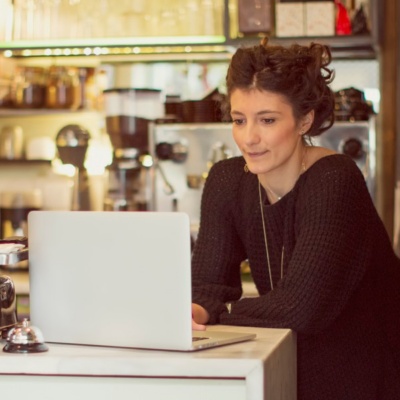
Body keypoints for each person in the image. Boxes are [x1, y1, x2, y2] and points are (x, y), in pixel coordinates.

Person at [190, 37, 400, 400]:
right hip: (289, 360)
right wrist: (193, 311)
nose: (249, 138)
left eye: (267, 120)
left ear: (305, 120)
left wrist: (218, 312)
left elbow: (302, 309)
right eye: (239, 120)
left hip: (369, 368)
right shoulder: (227, 180)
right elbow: (210, 285)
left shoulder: (335, 178)